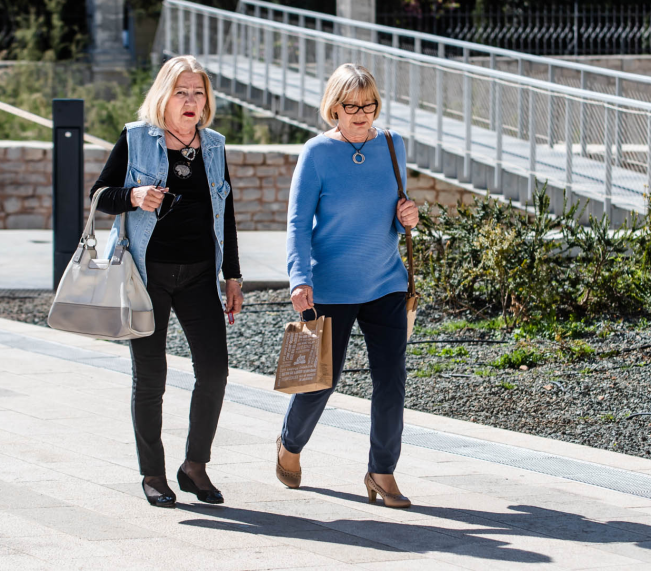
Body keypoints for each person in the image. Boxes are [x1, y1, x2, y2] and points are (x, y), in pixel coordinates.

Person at [90, 55, 243, 509]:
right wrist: (134, 196)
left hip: (199, 275)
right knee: (151, 376)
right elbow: (100, 195)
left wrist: (232, 276)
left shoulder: (212, 146)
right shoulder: (137, 139)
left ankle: (194, 466)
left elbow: (226, 214)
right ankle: (153, 473)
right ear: (164, 95)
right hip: (146, 276)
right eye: (182, 92)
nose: (191, 100)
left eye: (198, 92)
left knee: (215, 371)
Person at [277, 62, 419, 508]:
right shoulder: (317, 153)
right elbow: (298, 222)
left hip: (386, 284)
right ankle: (289, 445)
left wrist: (408, 216)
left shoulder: (393, 145)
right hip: (330, 289)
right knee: (320, 382)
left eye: (369, 104)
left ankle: (382, 471)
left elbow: (398, 210)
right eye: (350, 106)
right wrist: (299, 278)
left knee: (391, 381)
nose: (361, 114)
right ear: (333, 107)